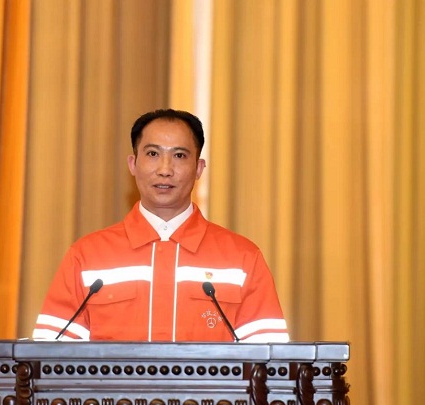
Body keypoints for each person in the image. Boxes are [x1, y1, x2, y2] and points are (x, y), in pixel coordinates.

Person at [32, 109, 289, 343]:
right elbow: (49, 360)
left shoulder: (242, 259)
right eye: (153, 154)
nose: (165, 169)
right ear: (133, 164)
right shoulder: (87, 257)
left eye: (179, 156)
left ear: (199, 168)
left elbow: (270, 364)